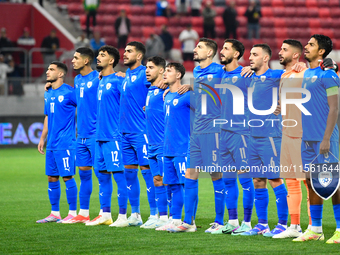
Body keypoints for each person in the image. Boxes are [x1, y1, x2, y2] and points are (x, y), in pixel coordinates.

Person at [169, 38, 225, 233]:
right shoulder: (198, 71)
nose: (194, 49)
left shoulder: (219, 70)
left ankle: (219, 221)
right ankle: (189, 222)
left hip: (213, 131)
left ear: (209, 53)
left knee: (215, 174)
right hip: (197, 131)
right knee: (190, 175)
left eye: (199, 47)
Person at [293, 34, 340, 244]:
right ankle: (316, 229)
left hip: (324, 139)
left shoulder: (328, 75)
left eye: (311, 44)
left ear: (321, 51)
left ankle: (339, 229)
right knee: (312, 182)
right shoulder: (307, 73)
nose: (306, 46)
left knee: (333, 183)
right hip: (307, 139)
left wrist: (327, 138)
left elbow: (334, 108)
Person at [241, 44, 289, 237]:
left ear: (266, 58)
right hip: (252, 137)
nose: (250, 57)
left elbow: (298, 81)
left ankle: (284, 224)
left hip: (271, 137)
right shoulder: (249, 78)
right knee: (257, 180)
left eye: (255, 54)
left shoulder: (277, 76)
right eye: (250, 54)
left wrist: (282, 101)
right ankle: (262, 224)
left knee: (275, 179)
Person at [211, 39, 255, 235]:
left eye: (226, 49)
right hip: (224, 135)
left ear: (236, 54)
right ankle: (233, 221)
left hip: (241, 134)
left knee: (245, 180)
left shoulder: (247, 74)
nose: (222, 51)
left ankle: (248, 223)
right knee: (228, 180)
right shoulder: (220, 73)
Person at [271, 40, 311, 239]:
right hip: (286, 134)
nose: (280, 52)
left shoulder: (304, 72)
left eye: (284, 50)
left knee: (307, 183)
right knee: (292, 181)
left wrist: (308, 66)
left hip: (302, 136)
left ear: (296, 55)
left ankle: (315, 227)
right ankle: (294, 226)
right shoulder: (285, 75)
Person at [86, 45, 129, 227]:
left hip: (114, 137)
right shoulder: (100, 80)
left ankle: (123, 217)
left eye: (102, 55)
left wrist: (125, 77)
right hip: (99, 137)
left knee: (119, 176)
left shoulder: (119, 80)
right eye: (98, 55)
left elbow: (133, 99)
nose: (98, 58)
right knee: (102, 176)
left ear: (111, 60)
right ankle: (105, 214)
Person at [120, 41, 156, 226]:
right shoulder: (127, 74)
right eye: (125, 50)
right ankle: (135, 214)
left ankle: (156, 214)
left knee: (149, 174)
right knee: (129, 175)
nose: (124, 54)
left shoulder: (145, 73)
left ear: (139, 55)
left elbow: (162, 84)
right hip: (125, 134)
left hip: (141, 132)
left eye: (129, 51)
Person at [36, 61, 78, 223]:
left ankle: (73, 213)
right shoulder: (48, 93)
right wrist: (42, 137)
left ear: (60, 74)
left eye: (51, 69)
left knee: (67, 177)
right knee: (52, 177)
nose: (47, 71)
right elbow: (48, 116)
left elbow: (84, 107)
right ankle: (55, 213)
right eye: (47, 69)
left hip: (66, 143)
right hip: (52, 144)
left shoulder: (69, 92)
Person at [64, 47, 100, 224]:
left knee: (103, 175)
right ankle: (84, 213)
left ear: (86, 61)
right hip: (82, 136)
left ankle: (105, 213)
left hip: (97, 135)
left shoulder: (99, 78)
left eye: (76, 58)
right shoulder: (77, 80)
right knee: (84, 174)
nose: (73, 60)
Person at [162, 62, 191, 232]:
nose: (165, 73)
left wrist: (193, 88)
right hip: (168, 149)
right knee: (172, 186)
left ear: (179, 75)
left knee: (186, 185)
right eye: (165, 70)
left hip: (182, 148)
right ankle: (175, 220)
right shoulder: (166, 96)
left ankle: (190, 221)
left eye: (169, 70)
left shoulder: (187, 95)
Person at [142, 56, 170, 229]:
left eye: (151, 67)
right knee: (157, 180)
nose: (147, 70)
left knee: (168, 181)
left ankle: (174, 218)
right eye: (146, 67)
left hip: (163, 143)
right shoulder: (151, 90)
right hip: (151, 143)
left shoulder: (166, 90)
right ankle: (163, 216)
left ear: (161, 70)